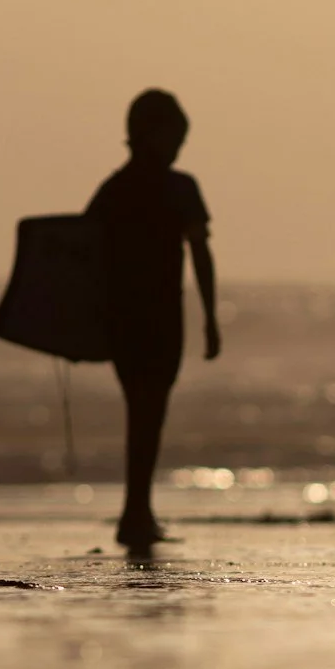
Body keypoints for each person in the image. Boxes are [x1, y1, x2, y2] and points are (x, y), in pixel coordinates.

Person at [86, 88, 219, 550]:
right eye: (174, 137)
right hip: (158, 318)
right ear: (150, 135)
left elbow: (83, 254)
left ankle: (136, 510)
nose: (179, 147)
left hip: (125, 319)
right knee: (149, 412)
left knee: (141, 411)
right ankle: (135, 514)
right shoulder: (179, 188)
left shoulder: (113, 190)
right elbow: (200, 252)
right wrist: (211, 318)